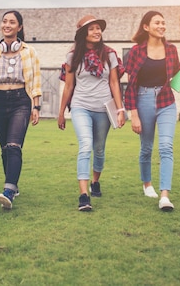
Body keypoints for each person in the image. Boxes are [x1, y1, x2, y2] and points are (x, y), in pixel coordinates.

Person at [123, 11, 180, 211]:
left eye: (164, 22)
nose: (162, 26)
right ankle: (147, 184)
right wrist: (133, 114)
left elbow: (174, 80)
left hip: (166, 102)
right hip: (143, 99)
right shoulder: (136, 51)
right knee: (146, 148)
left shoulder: (171, 50)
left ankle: (165, 196)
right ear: (146, 27)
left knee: (166, 147)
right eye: (157, 22)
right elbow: (130, 85)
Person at [58, 15, 125, 211]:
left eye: (98, 28)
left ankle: (95, 181)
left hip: (104, 108)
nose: (97, 31)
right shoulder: (72, 56)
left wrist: (120, 110)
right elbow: (69, 86)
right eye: (92, 29)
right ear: (82, 34)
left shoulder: (110, 54)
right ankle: (84, 195)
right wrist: (61, 111)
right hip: (81, 106)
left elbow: (114, 83)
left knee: (99, 148)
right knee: (85, 145)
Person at [0, 11, 42, 210]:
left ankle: (8, 191)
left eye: (12, 22)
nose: (7, 25)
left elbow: (36, 80)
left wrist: (36, 105)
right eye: (5, 21)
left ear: (19, 27)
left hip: (20, 101)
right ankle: (14, 184)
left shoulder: (29, 52)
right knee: (5, 149)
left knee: (14, 145)